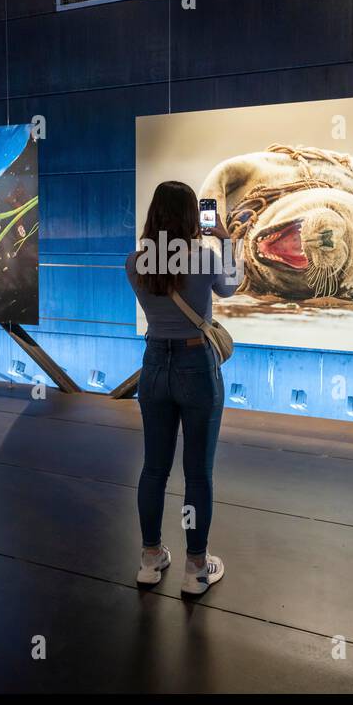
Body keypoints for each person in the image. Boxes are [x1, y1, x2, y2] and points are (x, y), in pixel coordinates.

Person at [126, 180, 240, 595]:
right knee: (198, 472)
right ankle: (196, 568)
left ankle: (150, 559)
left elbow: (161, 282)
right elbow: (232, 286)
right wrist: (226, 240)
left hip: (154, 366)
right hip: (196, 366)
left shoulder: (135, 262)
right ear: (195, 217)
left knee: (154, 468)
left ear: (154, 214)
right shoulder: (206, 257)